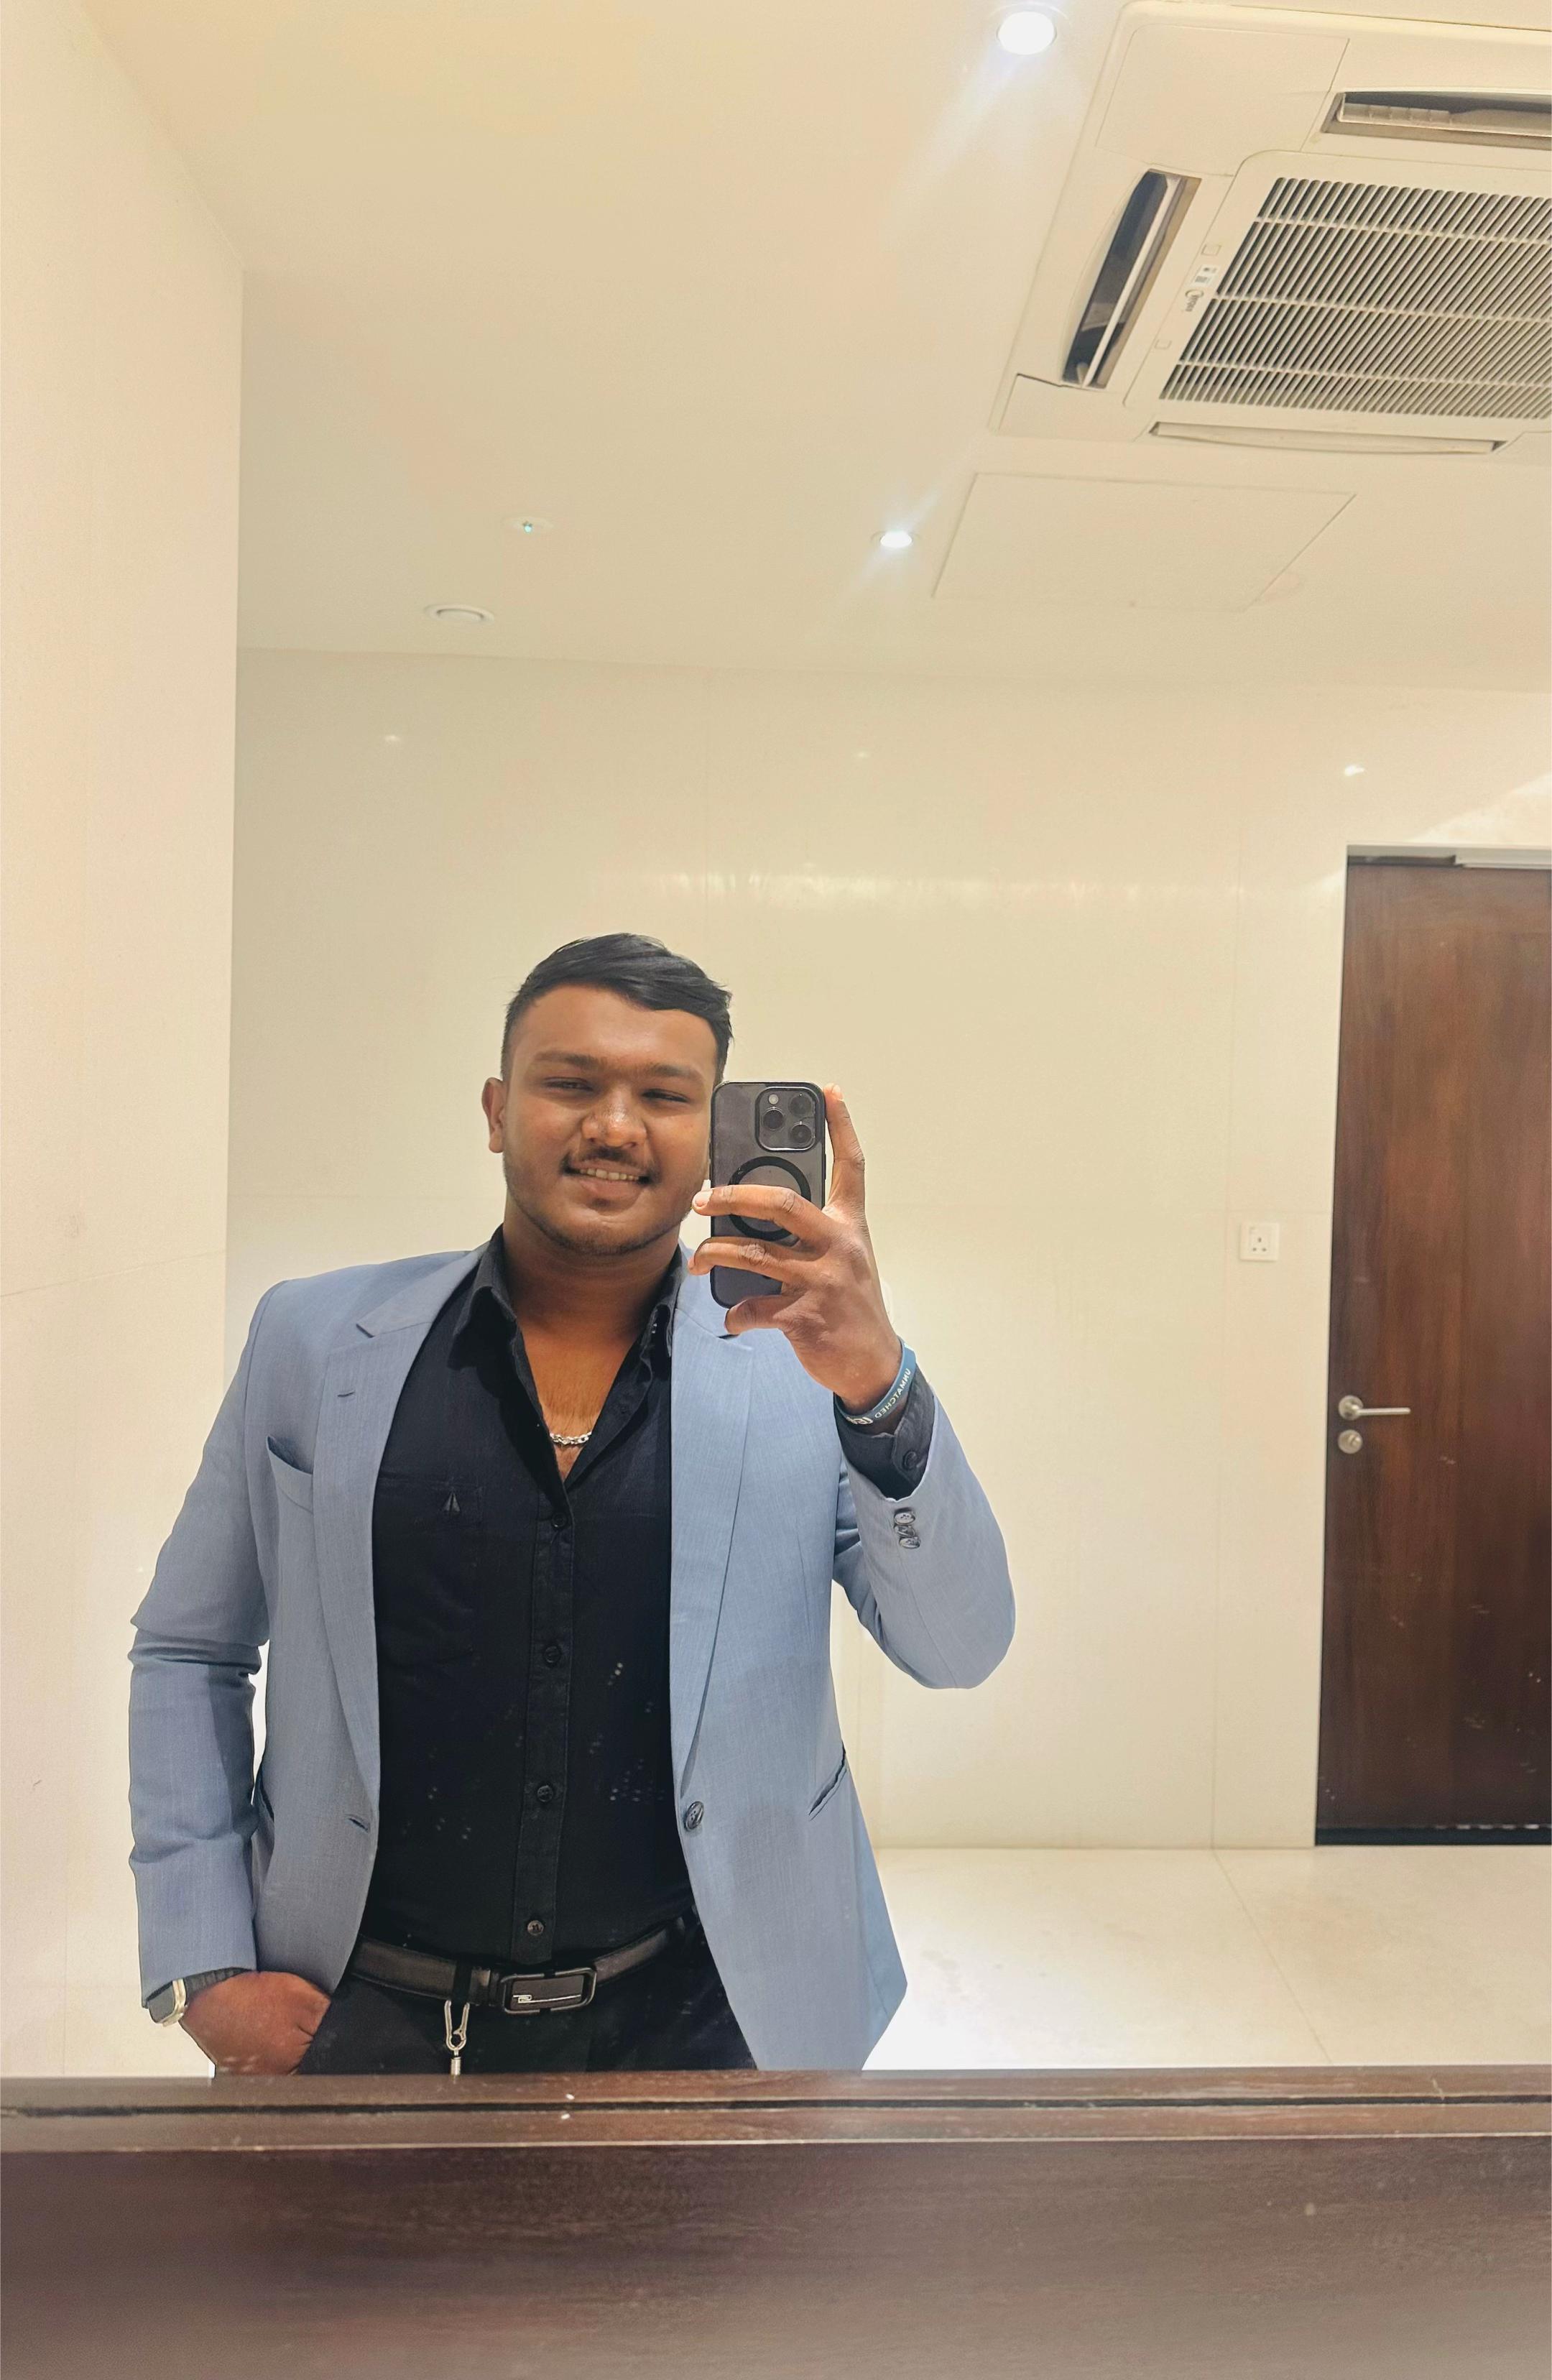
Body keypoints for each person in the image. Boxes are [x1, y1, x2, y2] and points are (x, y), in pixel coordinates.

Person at [127, 933, 1014, 2074]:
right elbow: (189, 1649)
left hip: (715, 2014)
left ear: (711, 1134)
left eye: (664, 1095)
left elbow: (959, 1646)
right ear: (498, 1111)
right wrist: (199, 1961)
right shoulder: (314, 1342)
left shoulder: (808, 1370)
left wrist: (881, 1386)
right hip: (359, 2014)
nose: (614, 1125)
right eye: (571, 1082)